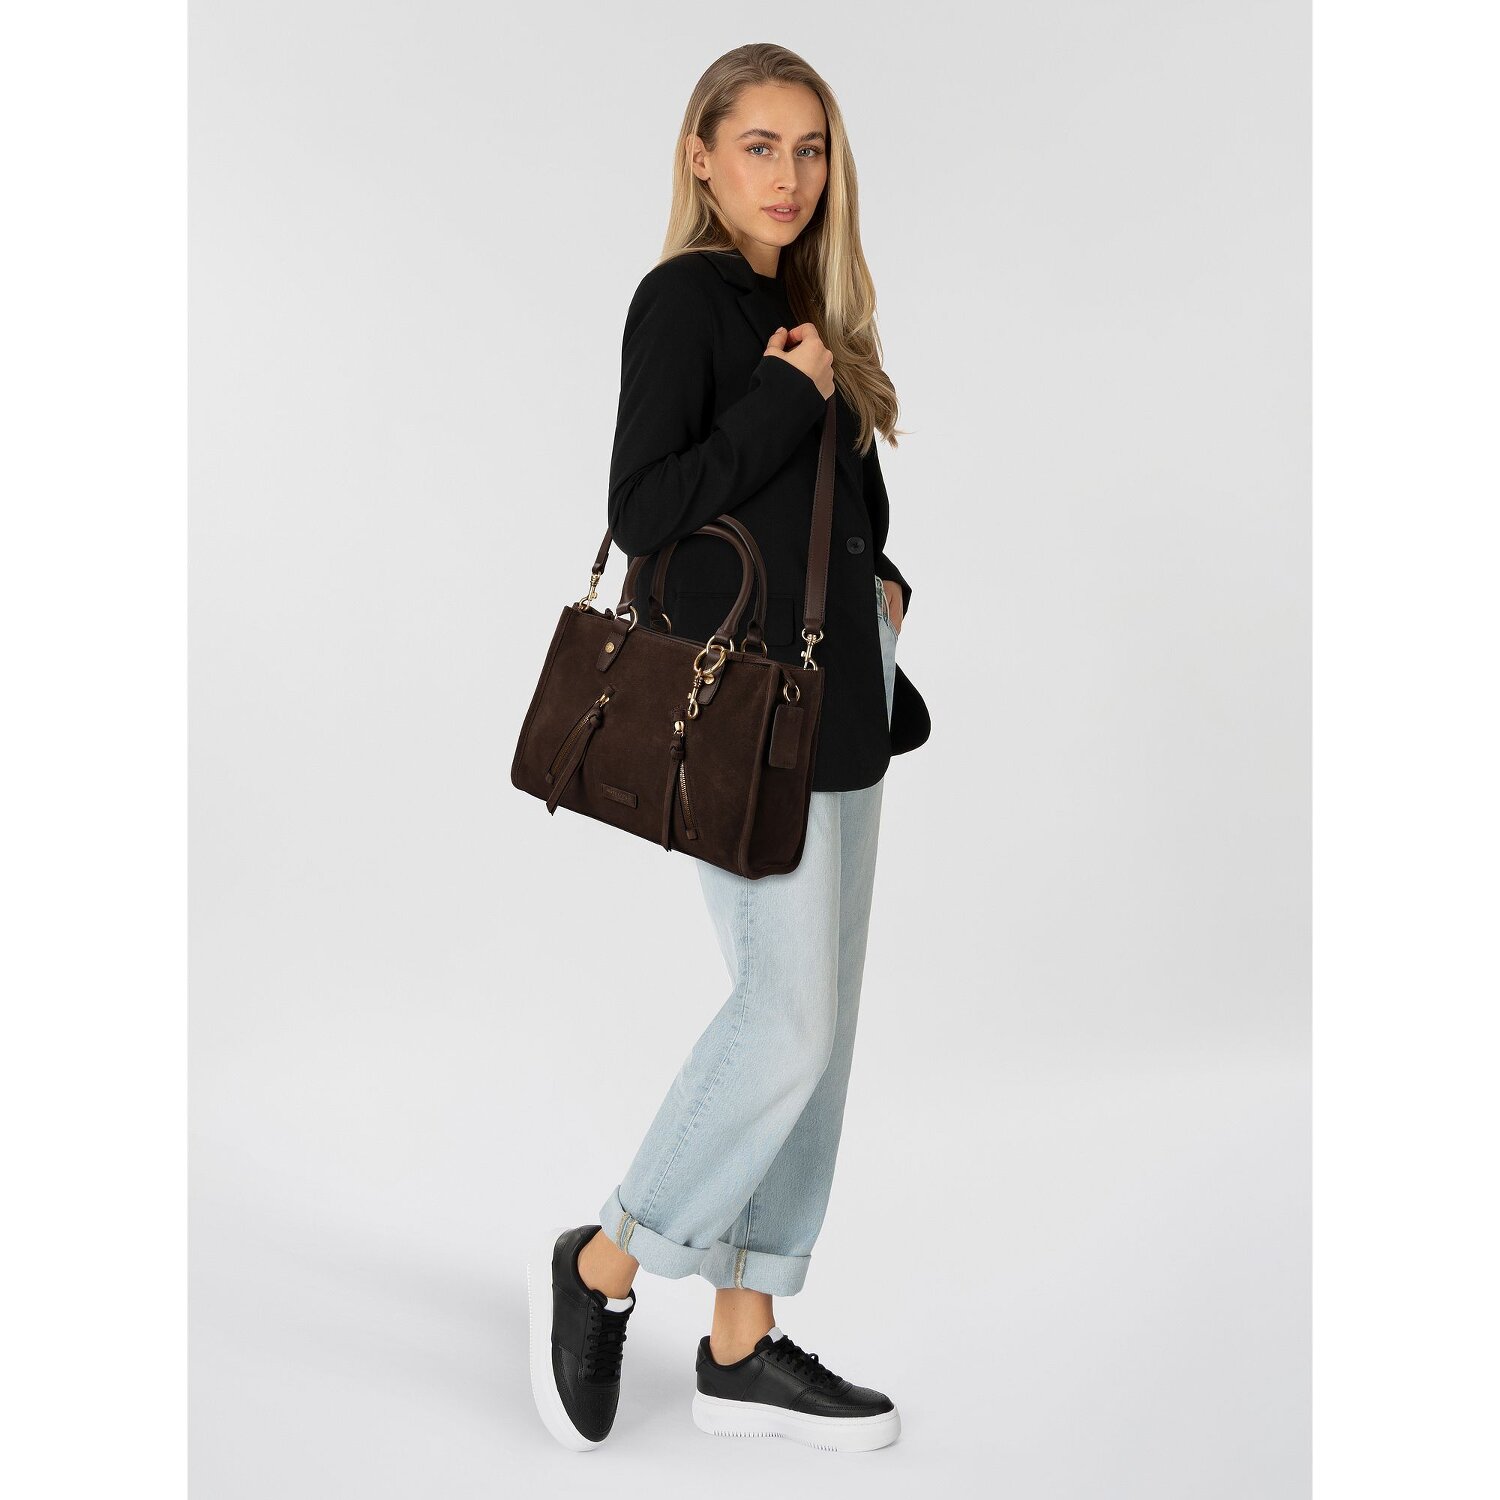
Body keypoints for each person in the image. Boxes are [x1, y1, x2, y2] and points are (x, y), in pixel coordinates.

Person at [526, 42, 930, 1455]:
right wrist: (786, 399)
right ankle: (606, 1259)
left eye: (811, 148)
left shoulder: (812, 305)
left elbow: (826, 510)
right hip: (744, 708)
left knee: (825, 1038)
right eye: (760, 145)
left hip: (845, 694)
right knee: (784, 1020)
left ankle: (745, 1341)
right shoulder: (684, 302)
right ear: (701, 156)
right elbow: (647, 510)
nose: (789, 175)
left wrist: (885, 583)